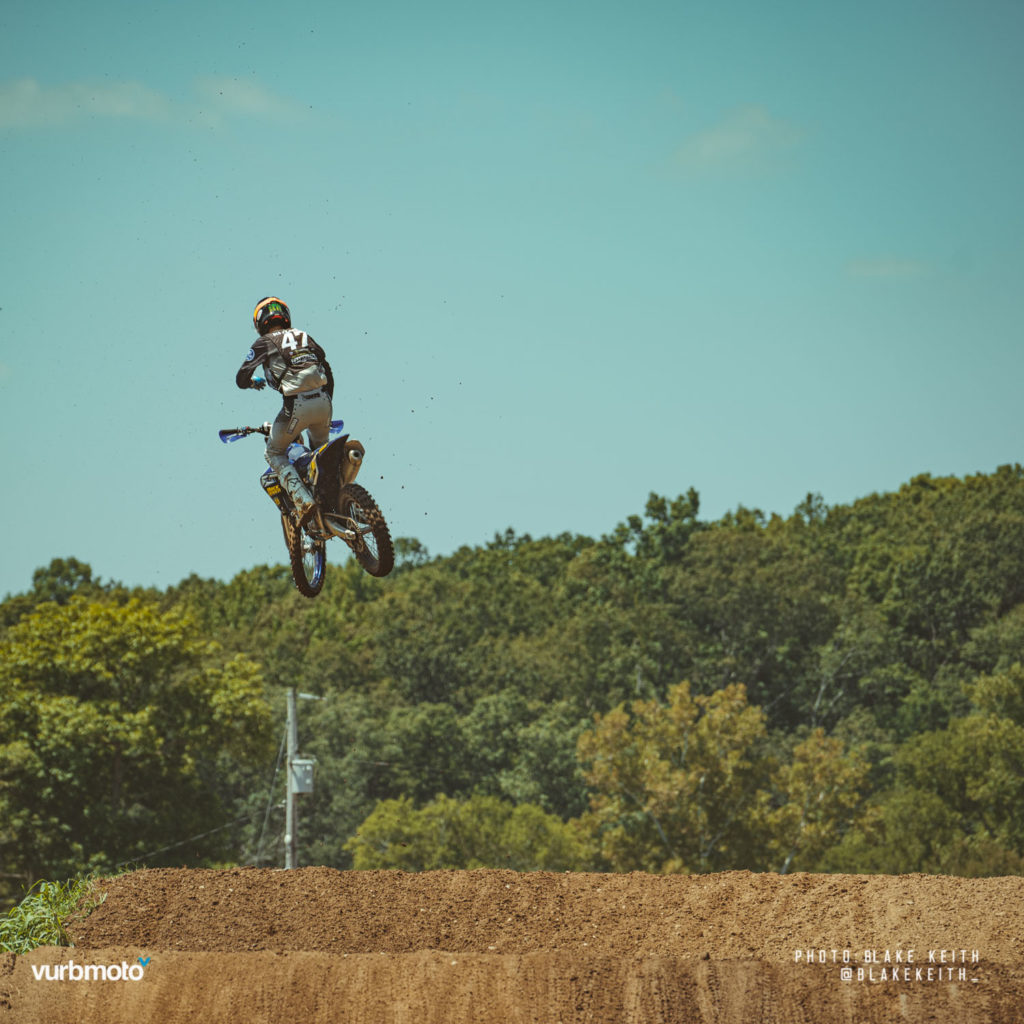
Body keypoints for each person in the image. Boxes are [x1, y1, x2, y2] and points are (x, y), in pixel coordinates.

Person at [236, 296, 334, 521]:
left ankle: (303, 500)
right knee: (322, 454)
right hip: (324, 402)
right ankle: (335, 500)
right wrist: (327, 401)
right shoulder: (303, 335)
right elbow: (326, 368)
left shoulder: (264, 342)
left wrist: (251, 382)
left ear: (260, 321)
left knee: (273, 452)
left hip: (295, 406)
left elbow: (241, 378)